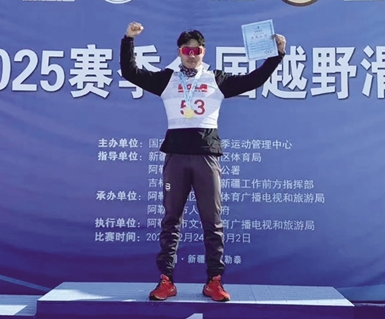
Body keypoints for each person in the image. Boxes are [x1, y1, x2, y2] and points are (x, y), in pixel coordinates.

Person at [120, 22, 286, 302]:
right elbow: (130, 72)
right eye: (186, 50)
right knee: (171, 220)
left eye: (196, 50)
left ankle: (214, 281)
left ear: (203, 52)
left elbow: (254, 79)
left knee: (213, 221)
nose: (191, 55)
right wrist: (128, 40)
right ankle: (166, 280)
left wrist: (277, 55)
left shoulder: (216, 78)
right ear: (179, 52)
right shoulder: (167, 79)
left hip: (207, 156)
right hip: (176, 156)